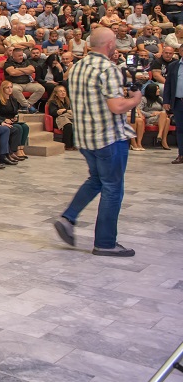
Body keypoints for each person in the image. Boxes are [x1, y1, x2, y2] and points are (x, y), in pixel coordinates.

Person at [54, 26, 143, 257]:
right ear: (110, 45)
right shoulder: (108, 68)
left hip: (85, 138)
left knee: (96, 179)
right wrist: (134, 99)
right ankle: (105, 242)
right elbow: (116, 106)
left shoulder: (76, 67)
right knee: (113, 189)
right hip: (108, 138)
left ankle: (68, 218)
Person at [136, 82, 172, 151]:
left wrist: (159, 113)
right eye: (157, 89)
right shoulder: (144, 99)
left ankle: (161, 137)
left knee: (166, 118)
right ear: (152, 90)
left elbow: (164, 109)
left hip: (160, 118)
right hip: (149, 118)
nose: (159, 90)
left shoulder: (160, 99)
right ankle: (162, 139)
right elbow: (139, 110)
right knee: (166, 119)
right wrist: (150, 114)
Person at [47, 84, 76, 151]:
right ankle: (67, 145)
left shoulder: (68, 102)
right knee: (68, 125)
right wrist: (64, 111)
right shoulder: (53, 102)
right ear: (56, 94)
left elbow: (71, 111)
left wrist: (64, 111)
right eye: (60, 91)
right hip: (57, 120)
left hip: (68, 118)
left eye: (64, 91)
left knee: (74, 124)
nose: (63, 93)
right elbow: (53, 112)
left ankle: (73, 144)